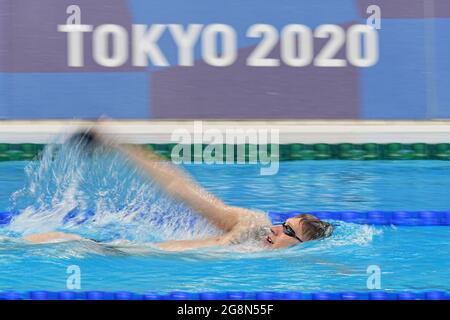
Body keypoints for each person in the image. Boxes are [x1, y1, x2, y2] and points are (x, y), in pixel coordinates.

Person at [24, 130, 333, 251]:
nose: (277, 229)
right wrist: (119, 144)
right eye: (284, 224)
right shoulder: (250, 226)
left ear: (302, 248)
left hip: (142, 267)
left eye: (289, 232)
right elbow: (181, 189)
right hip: (118, 253)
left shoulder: (287, 269)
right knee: (44, 241)